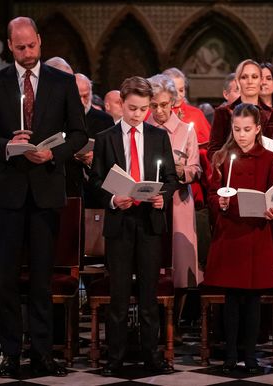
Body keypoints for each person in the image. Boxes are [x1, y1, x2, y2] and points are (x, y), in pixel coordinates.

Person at [0, 16, 87, 378]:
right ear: (9, 45)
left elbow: (80, 134)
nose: (26, 53)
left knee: (41, 278)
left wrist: (55, 153)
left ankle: (42, 353)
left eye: (31, 46)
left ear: (39, 40)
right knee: (6, 279)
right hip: (8, 193)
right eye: (19, 48)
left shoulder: (63, 83)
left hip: (46, 190)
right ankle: (8, 352)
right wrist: (7, 144)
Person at [89, 76, 178, 376]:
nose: (137, 115)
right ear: (121, 103)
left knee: (149, 296)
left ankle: (152, 357)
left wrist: (161, 198)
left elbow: (170, 178)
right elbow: (95, 182)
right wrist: (114, 200)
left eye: (143, 109)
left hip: (149, 222)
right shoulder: (105, 138)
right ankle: (114, 359)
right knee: (119, 296)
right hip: (120, 223)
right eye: (132, 108)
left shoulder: (158, 136)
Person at [203, 103, 273, 374]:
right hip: (231, 234)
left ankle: (250, 354)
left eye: (247, 129)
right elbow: (212, 193)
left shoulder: (268, 158)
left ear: (258, 129)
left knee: (253, 300)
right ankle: (230, 353)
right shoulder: (224, 156)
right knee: (232, 299)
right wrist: (219, 203)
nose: (242, 135)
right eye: (237, 129)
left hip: (256, 234)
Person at [145, 74, 203, 288]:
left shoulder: (186, 130)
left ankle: (176, 317)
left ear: (172, 101)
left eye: (163, 105)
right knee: (152, 262)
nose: (159, 111)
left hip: (179, 202)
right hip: (150, 201)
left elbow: (196, 169)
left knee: (180, 264)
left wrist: (180, 171)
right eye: (153, 106)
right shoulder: (143, 129)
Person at [208, 59, 273, 167]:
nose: (250, 81)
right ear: (237, 81)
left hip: (264, 177)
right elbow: (212, 152)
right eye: (244, 77)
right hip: (233, 175)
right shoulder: (223, 113)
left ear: (261, 81)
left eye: (254, 77)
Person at [73, 73, 114, 206]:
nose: (83, 101)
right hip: (70, 184)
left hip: (96, 188)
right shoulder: (60, 118)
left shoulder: (104, 120)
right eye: (78, 96)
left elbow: (112, 155)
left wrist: (94, 158)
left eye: (86, 96)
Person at [162, 67, 212, 145]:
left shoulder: (196, 114)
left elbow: (209, 144)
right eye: (173, 91)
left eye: (181, 90)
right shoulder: (156, 112)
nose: (178, 95)